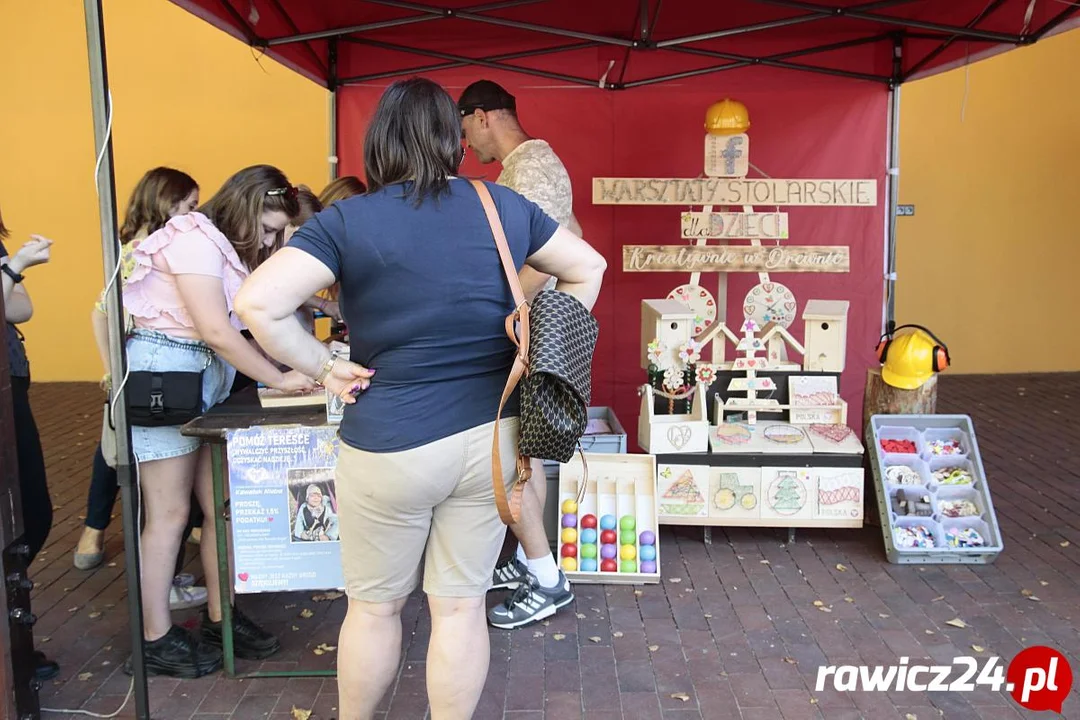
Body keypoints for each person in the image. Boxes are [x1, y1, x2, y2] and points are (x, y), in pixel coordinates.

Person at [235, 77, 605, 720]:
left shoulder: (347, 220)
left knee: (375, 609)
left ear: (378, 143)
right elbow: (589, 266)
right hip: (490, 436)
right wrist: (541, 333)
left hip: (389, 442)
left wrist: (324, 367)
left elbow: (257, 304)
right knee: (460, 607)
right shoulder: (501, 207)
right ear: (452, 140)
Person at [120, 165, 315, 678]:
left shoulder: (218, 247)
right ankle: (154, 637)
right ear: (247, 208)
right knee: (168, 514)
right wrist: (279, 378)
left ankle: (218, 615)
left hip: (203, 379)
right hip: (167, 377)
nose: (270, 240)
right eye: (269, 228)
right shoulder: (193, 238)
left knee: (219, 506)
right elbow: (214, 329)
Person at [459, 78, 584, 628]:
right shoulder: (529, 168)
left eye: (466, 131)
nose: (467, 146)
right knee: (513, 462)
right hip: (525, 338)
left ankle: (548, 580)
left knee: (511, 466)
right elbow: (571, 235)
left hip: (523, 341)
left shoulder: (530, 170)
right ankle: (535, 563)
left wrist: (495, 317)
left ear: (483, 116)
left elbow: (544, 260)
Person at [74, 167, 209, 608]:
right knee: (152, 499)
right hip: (148, 378)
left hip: (144, 377)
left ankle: (161, 581)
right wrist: (113, 368)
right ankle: (158, 590)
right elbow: (101, 311)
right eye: (190, 205)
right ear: (168, 204)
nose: (195, 213)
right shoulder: (143, 252)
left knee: (155, 498)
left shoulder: (143, 248)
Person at [1, 205, 60, 681]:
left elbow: (20, 308)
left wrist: (12, 272)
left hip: (11, 382)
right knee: (20, 518)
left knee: (33, 514)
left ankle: (13, 640)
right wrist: (15, 268)